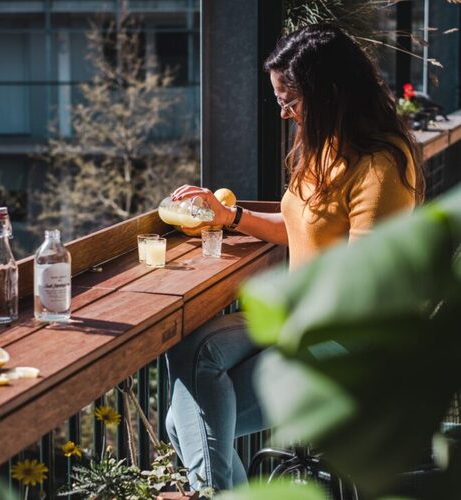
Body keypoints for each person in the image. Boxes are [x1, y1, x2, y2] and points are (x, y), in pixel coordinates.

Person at [165, 23, 424, 492]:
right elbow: (300, 226)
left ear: (328, 93)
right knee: (190, 407)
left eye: (290, 101)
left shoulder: (381, 165)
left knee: (192, 417)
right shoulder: (327, 145)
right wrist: (230, 215)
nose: (285, 114)